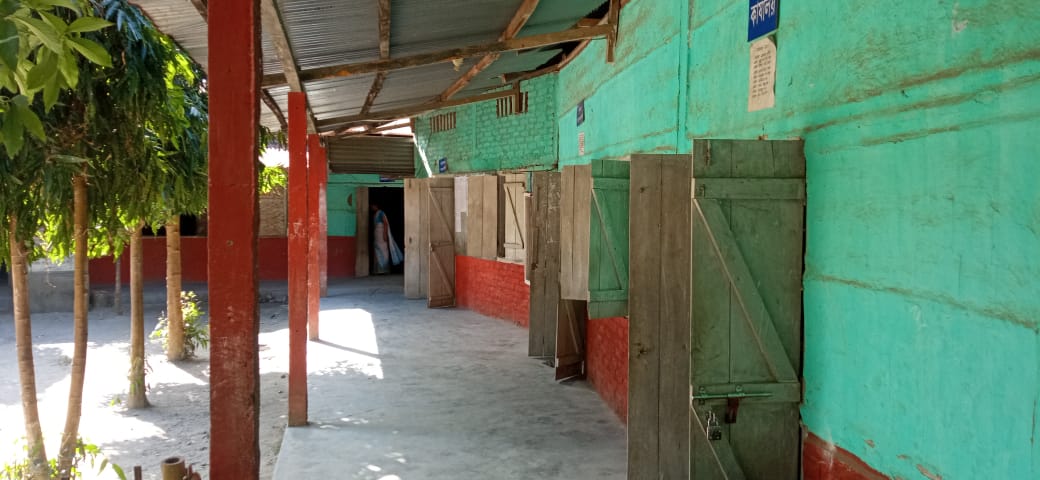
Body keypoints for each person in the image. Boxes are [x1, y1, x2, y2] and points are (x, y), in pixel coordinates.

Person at [371, 203, 403, 274]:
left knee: (384, 251)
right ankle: (378, 270)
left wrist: (385, 234)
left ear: (376, 205)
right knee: (377, 251)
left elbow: (385, 223)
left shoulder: (381, 213)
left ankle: (384, 270)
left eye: (372, 206)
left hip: (381, 235)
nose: (371, 207)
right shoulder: (375, 214)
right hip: (377, 236)